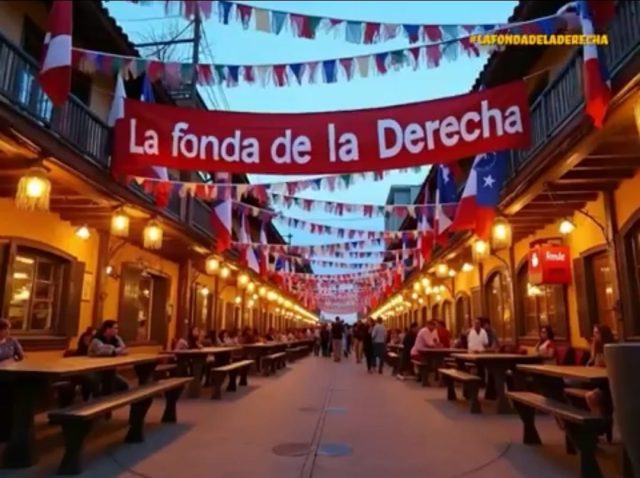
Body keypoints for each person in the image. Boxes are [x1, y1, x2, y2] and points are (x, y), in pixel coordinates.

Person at [88, 320, 129, 392]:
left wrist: (114, 350)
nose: (117, 330)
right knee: (99, 386)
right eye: (115, 328)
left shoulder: (116, 338)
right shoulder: (96, 340)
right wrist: (115, 350)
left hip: (110, 370)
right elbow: (104, 351)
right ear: (107, 329)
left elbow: (124, 350)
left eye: (117, 328)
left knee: (125, 385)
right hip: (96, 371)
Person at [585, 324, 614, 415]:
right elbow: (590, 364)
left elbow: (604, 364)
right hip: (599, 381)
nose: (594, 336)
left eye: (597, 333)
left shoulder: (611, 348)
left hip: (610, 382)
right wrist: (593, 349)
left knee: (591, 395)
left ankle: (601, 420)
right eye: (593, 333)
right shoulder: (597, 347)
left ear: (604, 334)